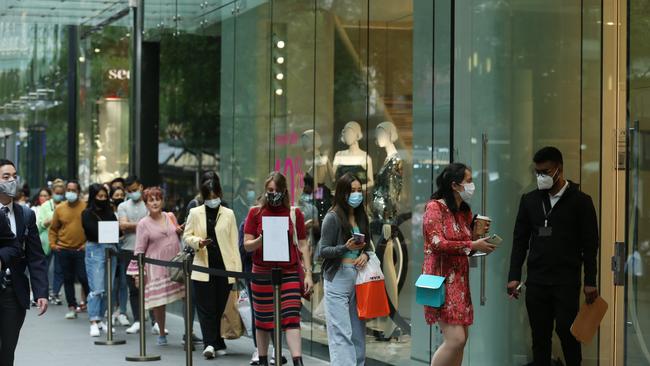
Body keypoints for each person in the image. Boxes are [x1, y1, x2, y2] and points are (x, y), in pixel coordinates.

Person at [507, 147, 599, 366]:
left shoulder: (581, 202)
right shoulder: (529, 201)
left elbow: (590, 245)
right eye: (537, 173)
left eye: (545, 172)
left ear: (559, 169)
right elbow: (520, 241)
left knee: (567, 332)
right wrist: (514, 275)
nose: (541, 177)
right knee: (540, 336)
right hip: (537, 280)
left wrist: (590, 281)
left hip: (566, 280)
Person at [422, 163, 497, 366]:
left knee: (462, 340)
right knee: (455, 340)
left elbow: (465, 247)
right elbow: (437, 243)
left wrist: (479, 239)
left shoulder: (464, 211)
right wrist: (472, 243)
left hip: (460, 283)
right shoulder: (434, 208)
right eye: (469, 181)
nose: (472, 185)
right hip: (440, 281)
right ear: (455, 185)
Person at [243, 172, 313, 366]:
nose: (273, 194)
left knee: (291, 317)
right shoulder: (255, 213)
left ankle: (297, 360)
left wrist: (308, 273)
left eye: (277, 190)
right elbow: (247, 245)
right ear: (265, 191)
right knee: (263, 320)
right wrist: (261, 240)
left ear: (284, 191)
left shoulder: (294, 213)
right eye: (270, 190)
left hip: (288, 272)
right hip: (262, 273)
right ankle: (263, 359)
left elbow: (303, 244)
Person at [183, 174, 242, 359]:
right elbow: (186, 235)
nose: (212, 200)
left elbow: (234, 243)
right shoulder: (195, 212)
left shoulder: (229, 213)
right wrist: (198, 242)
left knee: (219, 307)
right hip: (202, 266)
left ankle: (217, 341)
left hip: (224, 268)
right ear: (203, 196)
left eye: (215, 196)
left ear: (220, 194)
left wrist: (237, 272)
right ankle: (209, 343)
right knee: (205, 307)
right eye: (208, 197)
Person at [318, 173, 373, 365]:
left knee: (358, 332)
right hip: (338, 278)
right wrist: (346, 248)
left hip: (359, 279)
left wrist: (365, 254)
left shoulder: (361, 216)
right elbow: (323, 251)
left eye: (359, 190)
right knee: (341, 333)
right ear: (343, 193)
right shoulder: (332, 217)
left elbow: (369, 247)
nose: (356, 195)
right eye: (352, 191)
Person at [0, 159, 47, 366]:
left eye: (14, 176)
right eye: (6, 177)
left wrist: (41, 292)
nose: (12, 180)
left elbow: (35, 256)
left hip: (13, 291)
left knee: (7, 350)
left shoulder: (26, 214)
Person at [127, 187, 185, 346]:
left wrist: (181, 230)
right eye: (151, 200)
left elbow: (177, 233)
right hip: (156, 269)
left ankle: (188, 332)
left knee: (187, 297)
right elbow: (139, 249)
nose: (155, 203)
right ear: (146, 204)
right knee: (160, 302)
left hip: (176, 265)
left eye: (157, 199)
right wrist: (138, 273)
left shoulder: (170, 216)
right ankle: (161, 332)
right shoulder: (143, 224)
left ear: (162, 201)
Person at [49, 180, 90, 320]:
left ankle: (91, 304)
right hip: (64, 249)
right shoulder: (60, 208)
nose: (71, 193)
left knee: (84, 277)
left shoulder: (85, 207)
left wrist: (86, 244)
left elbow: (90, 228)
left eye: (74, 190)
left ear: (78, 192)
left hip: (81, 249)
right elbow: (53, 228)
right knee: (68, 279)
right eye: (69, 190)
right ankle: (72, 307)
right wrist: (53, 245)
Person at [81, 184, 119, 337]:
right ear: (93, 197)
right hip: (95, 250)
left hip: (111, 250)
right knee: (96, 288)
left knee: (108, 288)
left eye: (105, 196)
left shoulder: (110, 212)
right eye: (99, 196)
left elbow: (118, 231)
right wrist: (107, 231)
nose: (102, 199)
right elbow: (91, 231)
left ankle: (101, 318)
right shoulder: (87, 213)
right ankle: (93, 321)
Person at [118, 176, 150, 334]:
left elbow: (154, 223)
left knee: (151, 286)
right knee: (133, 288)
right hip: (128, 249)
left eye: (135, 189)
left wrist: (133, 225)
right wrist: (145, 224)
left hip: (149, 250)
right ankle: (137, 319)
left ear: (141, 187)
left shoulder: (149, 203)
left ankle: (156, 321)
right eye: (130, 191)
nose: (133, 193)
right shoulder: (123, 206)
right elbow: (122, 225)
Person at [38, 179, 65, 305]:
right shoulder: (45, 206)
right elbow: (39, 225)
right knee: (45, 268)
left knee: (59, 269)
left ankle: (55, 293)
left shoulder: (66, 205)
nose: (58, 194)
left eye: (61, 192)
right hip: (46, 243)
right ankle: (45, 292)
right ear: (53, 192)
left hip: (61, 242)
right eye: (56, 192)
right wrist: (49, 221)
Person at [109, 187, 130, 326]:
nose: (119, 196)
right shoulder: (109, 213)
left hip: (124, 249)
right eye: (116, 194)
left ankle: (122, 311)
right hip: (111, 251)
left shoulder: (127, 210)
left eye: (122, 194)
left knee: (123, 283)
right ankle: (111, 310)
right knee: (112, 283)